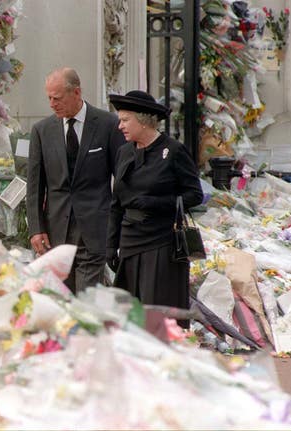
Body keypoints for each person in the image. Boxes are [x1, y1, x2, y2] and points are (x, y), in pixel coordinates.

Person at [26, 67, 125, 293]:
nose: (52, 104)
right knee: (60, 299)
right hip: (55, 231)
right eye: (49, 98)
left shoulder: (108, 124)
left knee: (86, 300)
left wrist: (117, 226)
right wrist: (36, 228)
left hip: (95, 228)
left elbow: (121, 179)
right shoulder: (42, 130)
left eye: (57, 98)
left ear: (77, 93)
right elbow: (34, 186)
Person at [106, 90, 203, 312]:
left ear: (143, 120)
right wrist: (110, 245)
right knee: (129, 312)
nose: (120, 126)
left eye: (125, 120)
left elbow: (194, 194)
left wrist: (155, 202)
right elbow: (116, 203)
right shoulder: (123, 152)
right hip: (130, 241)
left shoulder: (174, 151)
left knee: (157, 311)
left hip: (161, 242)